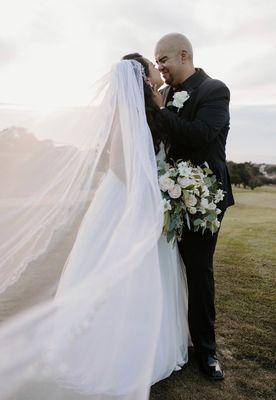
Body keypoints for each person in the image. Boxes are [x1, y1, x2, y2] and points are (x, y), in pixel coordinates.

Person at [0, 58, 189, 400]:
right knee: (118, 269)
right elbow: (118, 164)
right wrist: (148, 191)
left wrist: (159, 187)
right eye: (150, 70)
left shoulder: (151, 114)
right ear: (141, 79)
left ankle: (143, 339)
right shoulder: (124, 117)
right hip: (127, 199)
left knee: (146, 272)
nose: (154, 77)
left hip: (146, 197)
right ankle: (108, 351)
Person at [153, 32, 235, 380]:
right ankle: (171, 339)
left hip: (205, 196)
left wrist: (158, 110)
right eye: (157, 64)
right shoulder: (166, 94)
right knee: (169, 269)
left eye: (163, 61)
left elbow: (200, 134)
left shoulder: (215, 90)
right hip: (169, 194)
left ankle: (206, 352)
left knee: (199, 272)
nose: (161, 69)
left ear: (183, 55)